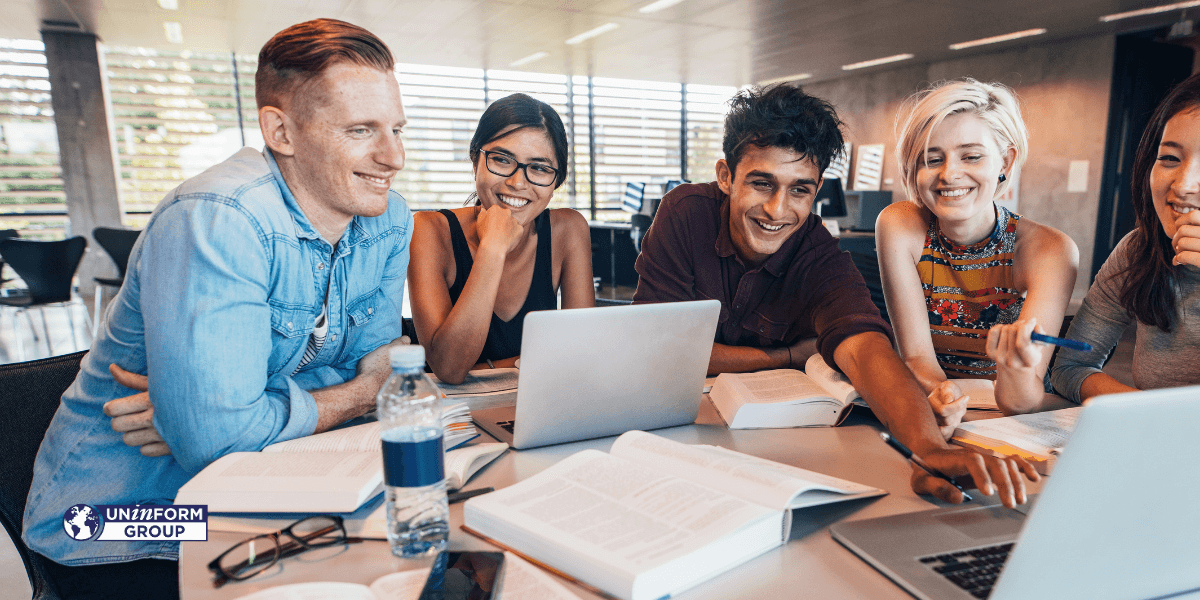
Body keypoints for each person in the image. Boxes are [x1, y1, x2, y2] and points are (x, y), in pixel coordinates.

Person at [22, 19, 412, 597]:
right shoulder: (218, 217)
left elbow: (378, 368)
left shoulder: (387, 219)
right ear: (281, 131)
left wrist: (224, 414)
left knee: (415, 556)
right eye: (361, 130)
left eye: (398, 129)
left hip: (256, 485)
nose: (393, 157)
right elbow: (364, 387)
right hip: (116, 519)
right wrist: (350, 393)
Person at [633, 84, 1039, 507]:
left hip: (765, 444)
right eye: (761, 183)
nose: (777, 210)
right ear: (725, 177)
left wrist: (929, 450)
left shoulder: (817, 252)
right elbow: (657, 347)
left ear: (816, 190)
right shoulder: (685, 213)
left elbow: (865, 348)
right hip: (673, 432)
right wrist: (785, 356)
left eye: (799, 190)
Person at [876, 79, 1077, 438]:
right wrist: (944, 396)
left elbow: (1023, 402)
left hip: (1019, 424)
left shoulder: (1050, 250)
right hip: (942, 414)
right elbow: (918, 358)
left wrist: (1013, 369)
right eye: (932, 159)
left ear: (1006, 160)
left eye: (971, 156)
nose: (949, 173)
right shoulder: (900, 225)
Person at [407, 93, 594, 384]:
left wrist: (485, 369)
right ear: (475, 162)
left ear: (556, 181)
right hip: (456, 416)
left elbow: (581, 355)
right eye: (502, 160)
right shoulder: (429, 231)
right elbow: (450, 368)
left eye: (540, 168)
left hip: (540, 404)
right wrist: (493, 248)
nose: (517, 182)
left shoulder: (567, 230)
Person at [1051, 73, 1200, 402]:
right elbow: (1072, 364)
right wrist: (1146, 416)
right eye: (1170, 158)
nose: (1185, 184)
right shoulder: (1139, 250)